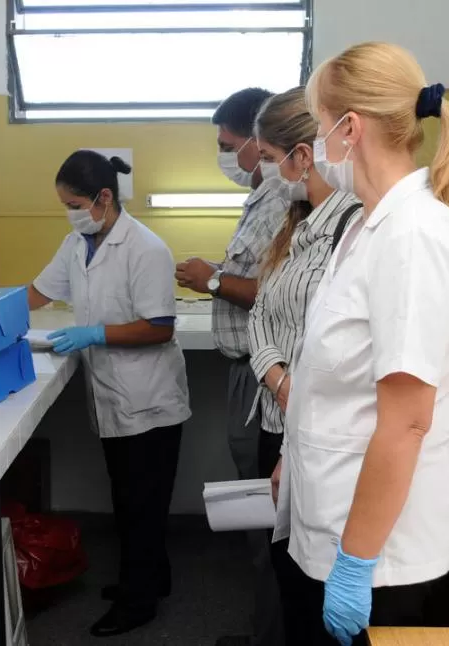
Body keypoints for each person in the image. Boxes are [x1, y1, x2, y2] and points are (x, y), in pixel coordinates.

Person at [271, 42, 449, 646]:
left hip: (376, 558)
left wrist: (357, 563)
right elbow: (340, 370)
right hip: (332, 514)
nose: (319, 144)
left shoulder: (414, 235)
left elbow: (407, 422)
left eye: (319, 124)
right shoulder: (367, 223)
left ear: (350, 128)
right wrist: (296, 453)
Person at [28, 150, 191, 638]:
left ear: (103, 197)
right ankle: (148, 581)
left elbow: (159, 328)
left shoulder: (146, 249)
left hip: (150, 403)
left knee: (142, 507)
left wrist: (94, 333)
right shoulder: (78, 241)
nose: (70, 213)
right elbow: (39, 292)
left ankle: (138, 604)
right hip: (112, 398)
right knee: (127, 500)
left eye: (75, 203)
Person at [176, 87, 286, 646]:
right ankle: (265, 626)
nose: (223, 156)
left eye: (228, 145)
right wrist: (218, 273)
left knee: (264, 511)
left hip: (264, 374)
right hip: (250, 372)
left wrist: (214, 280)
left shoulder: (283, 202)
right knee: (257, 506)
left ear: (258, 142)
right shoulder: (262, 197)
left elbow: (272, 290)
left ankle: (270, 633)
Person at [247, 87, 361, 487]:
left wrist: (292, 396)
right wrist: (276, 378)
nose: (263, 171)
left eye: (268, 158)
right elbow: (260, 311)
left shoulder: (352, 228)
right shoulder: (297, 221)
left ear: (303, 156)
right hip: (277, 414)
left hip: (315, 430)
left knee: (299, 546)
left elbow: (335, 343)